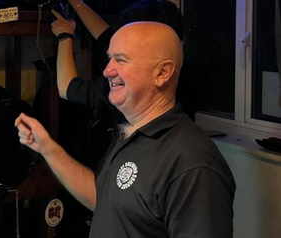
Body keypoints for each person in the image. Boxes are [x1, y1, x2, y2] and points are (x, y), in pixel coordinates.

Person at [16, 22, 235, 237]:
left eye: (121, 60)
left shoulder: (193, 164)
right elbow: (105, 201)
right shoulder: (130, 133)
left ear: (163, 73)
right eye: (110, 58)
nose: (107, 71)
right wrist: (48, 149)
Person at [37, 0, 199, 122]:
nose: (108, 71)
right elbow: (106, 35)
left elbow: (67, 89)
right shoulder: (185, 71)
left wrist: (65, 36)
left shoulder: (126, 84)